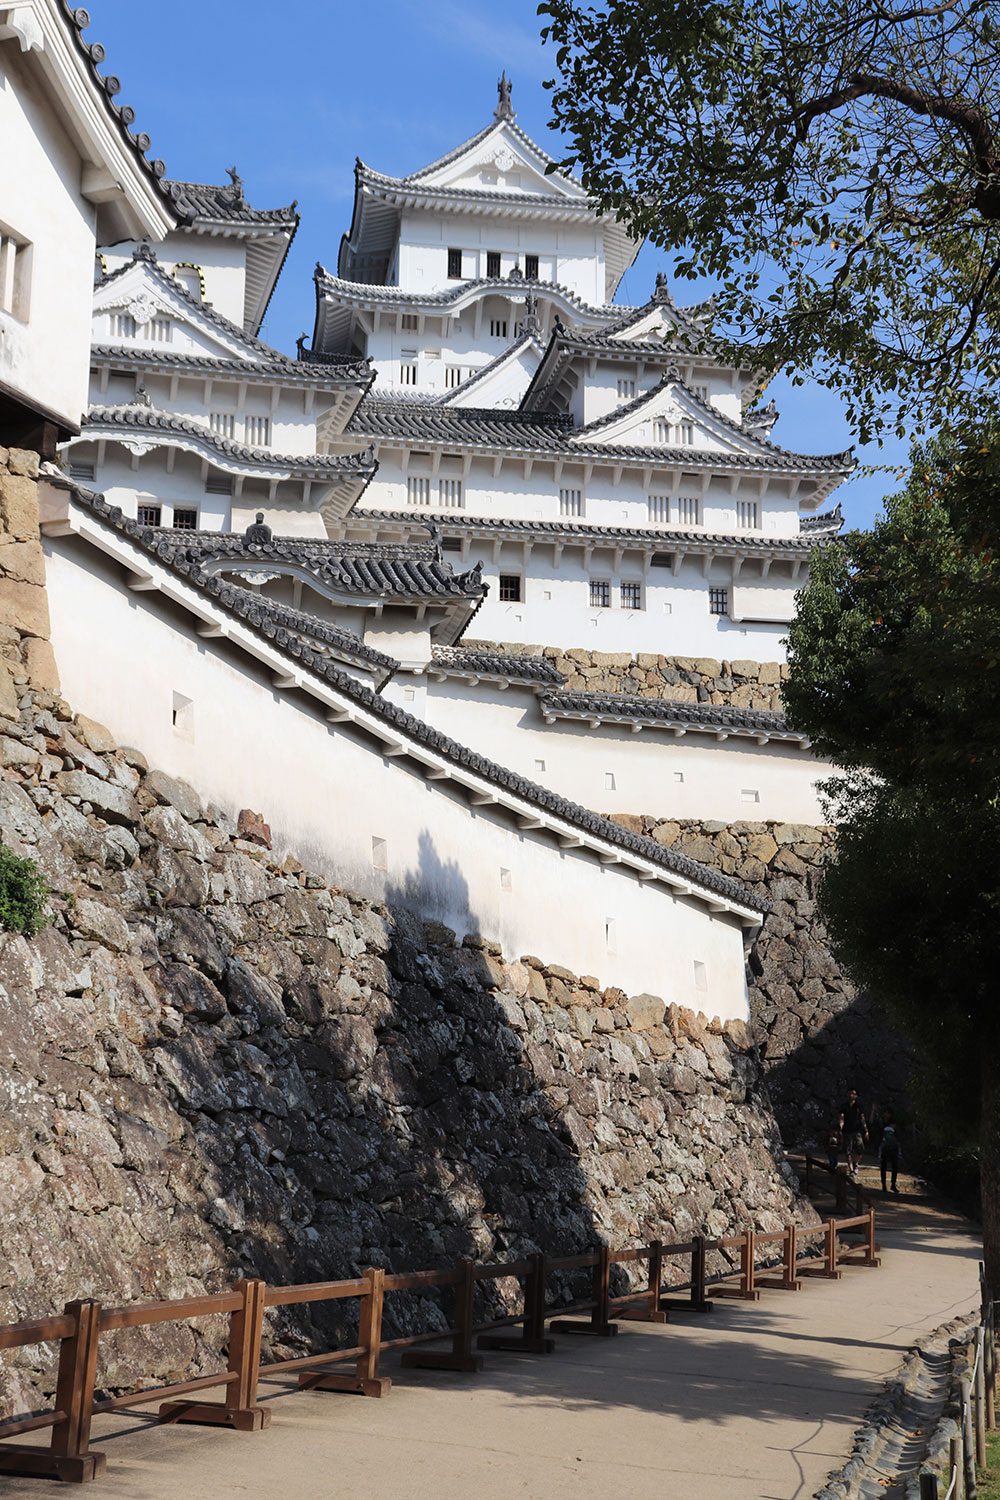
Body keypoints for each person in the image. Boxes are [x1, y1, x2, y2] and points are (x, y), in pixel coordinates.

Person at [839, 1088, 868, 1180]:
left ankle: (855, 1164)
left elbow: (862, 1119)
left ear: (856, 1096)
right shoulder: (844, 1106)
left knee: (861, 1148)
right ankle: (851, 1169)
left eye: (853, 1093)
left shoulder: (859, 1106)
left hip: (857, 1130)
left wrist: (866, 1130)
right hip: (847, 1131)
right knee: (848, 1150)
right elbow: (841, 1118)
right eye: (850, 1093)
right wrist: (840, 1127)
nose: (851, 1095)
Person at [880, 1116, 902, 1194]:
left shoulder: (883, 1130)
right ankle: (893, 1184)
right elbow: (898, 1142)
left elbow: (880, 1142)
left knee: (883, 1167)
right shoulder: (895, 1132)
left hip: (885, 1150)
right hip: (894, 1150)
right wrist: (899, 1153)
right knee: (894, 1167)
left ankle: (884, 1184)